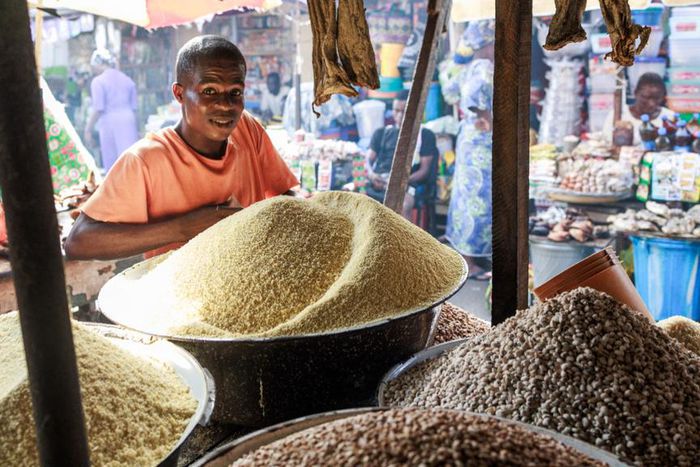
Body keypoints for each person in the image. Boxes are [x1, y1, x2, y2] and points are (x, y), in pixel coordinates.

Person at [65, 36, 299, 261]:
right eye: (209, 91)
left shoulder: (246, 128)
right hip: (183, 297)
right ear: (179, 93)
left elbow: (284, 198)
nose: (225, 105)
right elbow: (78, 242)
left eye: (235, 92)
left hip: (256, 284)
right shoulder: (145, 160)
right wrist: (182, 228)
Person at [445, 20, 495, 281]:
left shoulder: (467, 68)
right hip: (481, 142)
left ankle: (469, 255)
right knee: (479, 198)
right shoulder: (485, 69)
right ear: (486, 43)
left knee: (468, 197)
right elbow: (478, 106)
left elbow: (451, 94)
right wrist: (489, 119)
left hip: (470, 139)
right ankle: (470, 260)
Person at [365, 90, 439, 220]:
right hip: (380, 181)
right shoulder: (381, 133)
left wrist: (400, 181)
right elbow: (368, 160)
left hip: (406, 184)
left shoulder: (425, 135)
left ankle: (402, 239)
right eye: (396, 110)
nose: (399, 115)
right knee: (353, 198)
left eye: (403, 111)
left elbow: (424, 170)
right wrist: (371, 174)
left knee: (403, 205)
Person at [83, 49, 140, 172]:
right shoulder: (127, 80)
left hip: (110, 123)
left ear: (98, 64)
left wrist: (88, 129)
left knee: (113, 164)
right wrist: (139, 129)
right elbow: (135, 108)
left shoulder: (98, 81)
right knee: (131, 160)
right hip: (129, 121)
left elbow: (98, 108)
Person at [602, 72, 674, 145]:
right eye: (646, 97)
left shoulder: (670, 117)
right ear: (635, 93)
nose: (651, 104)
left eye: (657, 98)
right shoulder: (619, 114)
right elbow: (607, 142)